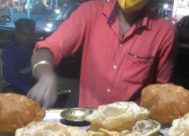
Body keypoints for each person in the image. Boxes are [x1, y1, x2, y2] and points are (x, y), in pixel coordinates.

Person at [27, 0, 177, 108]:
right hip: (89, 124)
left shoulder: (165, 32)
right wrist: (46, 73)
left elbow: (162, 89)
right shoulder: (90, 12)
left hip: (130, 131)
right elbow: (46, 49)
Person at [1, 18, 37, 94]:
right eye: (24, 34)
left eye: (31, 34)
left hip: (32, 86)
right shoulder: (10, 53)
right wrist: (30, 91)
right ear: (17, 35)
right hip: (15, 89)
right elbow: (11, 79)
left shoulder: (36, 50)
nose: (29, 37)